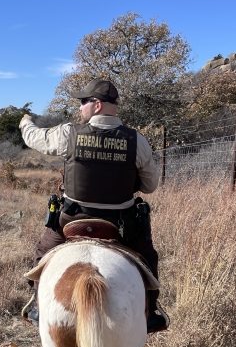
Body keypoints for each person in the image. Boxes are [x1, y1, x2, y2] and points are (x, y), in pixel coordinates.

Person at [19, 79, 168, 333]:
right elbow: (150, 186)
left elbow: (36, 139)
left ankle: (36, 306)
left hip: (73, 218)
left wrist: (25, 123)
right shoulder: (137, 141)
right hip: (123, 224)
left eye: (83, 102)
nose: (80, 109)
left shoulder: (69, 133)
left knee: (43, 251)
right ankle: (152, 313)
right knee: (148, 257)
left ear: (96, 105)